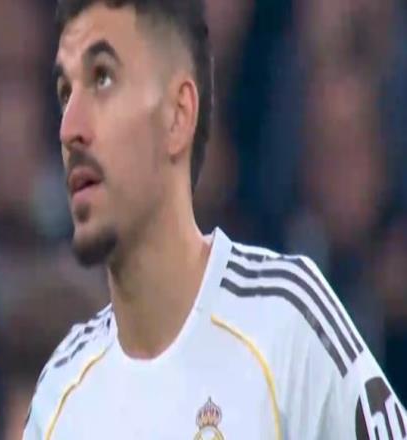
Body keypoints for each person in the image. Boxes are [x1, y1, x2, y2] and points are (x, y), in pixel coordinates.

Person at [23, 0, 406, 438]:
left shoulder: (286, 323)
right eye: (64, 93)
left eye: (103, 79)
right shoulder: (59, 395)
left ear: (178, 116)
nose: (69, 128)